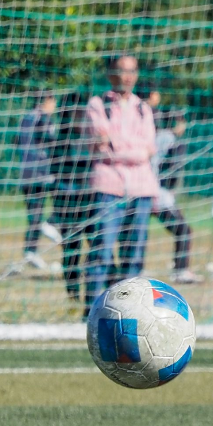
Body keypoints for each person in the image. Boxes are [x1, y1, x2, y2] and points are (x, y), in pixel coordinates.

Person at [85, 53, 158, 302]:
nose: (127, 77)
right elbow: (101, 143)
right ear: (110, 74)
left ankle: (130, 308)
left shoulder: (143, 108)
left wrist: (118, 146)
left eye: (132, 71)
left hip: (141, 189)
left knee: (134, 255)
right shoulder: (97, 104)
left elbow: (148, 148)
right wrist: (132, 150)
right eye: (122, 70)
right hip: (108, 186)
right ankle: (93, 308)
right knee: (101, 252)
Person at [50, 93, 94, 303]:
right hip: (68, 199)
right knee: (71, 247)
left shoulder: (90, 136)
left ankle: (99, 288)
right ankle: (73, 291)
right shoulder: (61, 139)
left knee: (97, 244)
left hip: (90, 198)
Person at [150, 105, 200, 285]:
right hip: (159, 195)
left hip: (143, 191)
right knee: (184, 230)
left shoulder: (156, 136)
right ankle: (181, 271)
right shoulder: (172, 141)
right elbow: (171, 169)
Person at [18, 90, 58, 270]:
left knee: (33, 213)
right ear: (47, 100)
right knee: (61, 203)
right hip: (41, 172)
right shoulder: (44, 118)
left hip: (25, 172)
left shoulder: (26, 118)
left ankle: (30, 252)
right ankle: (48, 224)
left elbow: (17, 141)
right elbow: (49, 141)